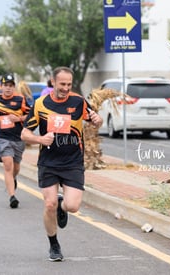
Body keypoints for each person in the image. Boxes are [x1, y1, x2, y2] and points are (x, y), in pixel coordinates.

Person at [20, 66, 103, 261]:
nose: (66, 88)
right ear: (53, 82)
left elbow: (94, 120)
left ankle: (62, 206)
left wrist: (97, 120)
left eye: (69, 84)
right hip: (49, 162)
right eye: (62, 84)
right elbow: (25, 134)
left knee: (73, 206)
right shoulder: (40, 104)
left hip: (73, 161)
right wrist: (40, 140)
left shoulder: (78, 102)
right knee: (48, 204)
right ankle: (54, 245)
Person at [0, 73, 31, 209]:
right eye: (6, 85)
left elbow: (30, 114)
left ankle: (12, 179)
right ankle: (12, 197)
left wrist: (18, 119)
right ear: (1, 86)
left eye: (11, 86)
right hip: (2, 136)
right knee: (7, 164)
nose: (8, 88)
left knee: (15, 167)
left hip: (18, 137)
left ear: (14, 87)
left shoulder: (20, 99)